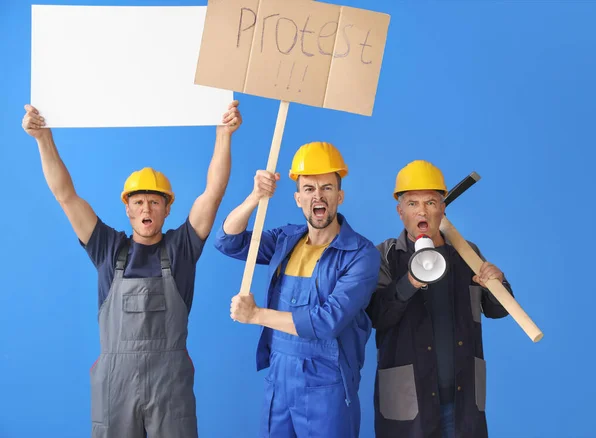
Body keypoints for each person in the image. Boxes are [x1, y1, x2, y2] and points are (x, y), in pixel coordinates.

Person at [21, 101, 243, 438]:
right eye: (138, 202)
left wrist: (224, 136)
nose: (146, 209)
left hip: (170, 384)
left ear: (168, 208)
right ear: (127, 208)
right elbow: (66, 196)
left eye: (155, 201)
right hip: (116, 385)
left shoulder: (181, 249)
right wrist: (43, 139)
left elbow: (213, 193)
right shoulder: (107, 248)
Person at [214, 141, 380, 438]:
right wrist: (255, 197)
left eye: (327, 188)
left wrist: (256, 315)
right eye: (309, 188)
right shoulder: (285, 241)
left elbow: (327, 321)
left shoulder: (360, 254)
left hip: (327, 386)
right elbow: (228, 240)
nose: (318, 195)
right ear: (297, 198)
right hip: (279, 380)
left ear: (340, 196)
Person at [366, 160, 514, 438]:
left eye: (431, 202)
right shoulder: (385, 255)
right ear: (400, 211)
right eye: (412, 204)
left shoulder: (466, 252)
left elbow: (497, 310)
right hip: (410, 407)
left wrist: (498, 282)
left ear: (443, 208)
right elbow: (377, 317)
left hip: (462, 402)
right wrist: (409, 282)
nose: (422, 211)